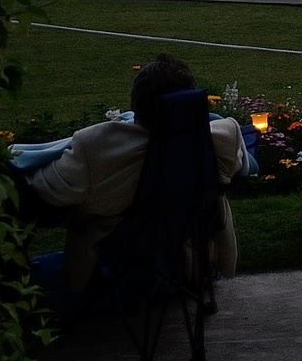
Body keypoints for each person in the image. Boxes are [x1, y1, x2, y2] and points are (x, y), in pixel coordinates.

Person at [24, 54, 246, 293]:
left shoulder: (100, 147)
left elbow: (45, 188)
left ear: (136, 103)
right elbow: (244, 167)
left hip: (126, 238)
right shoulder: (220, 139)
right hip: (184, 229)